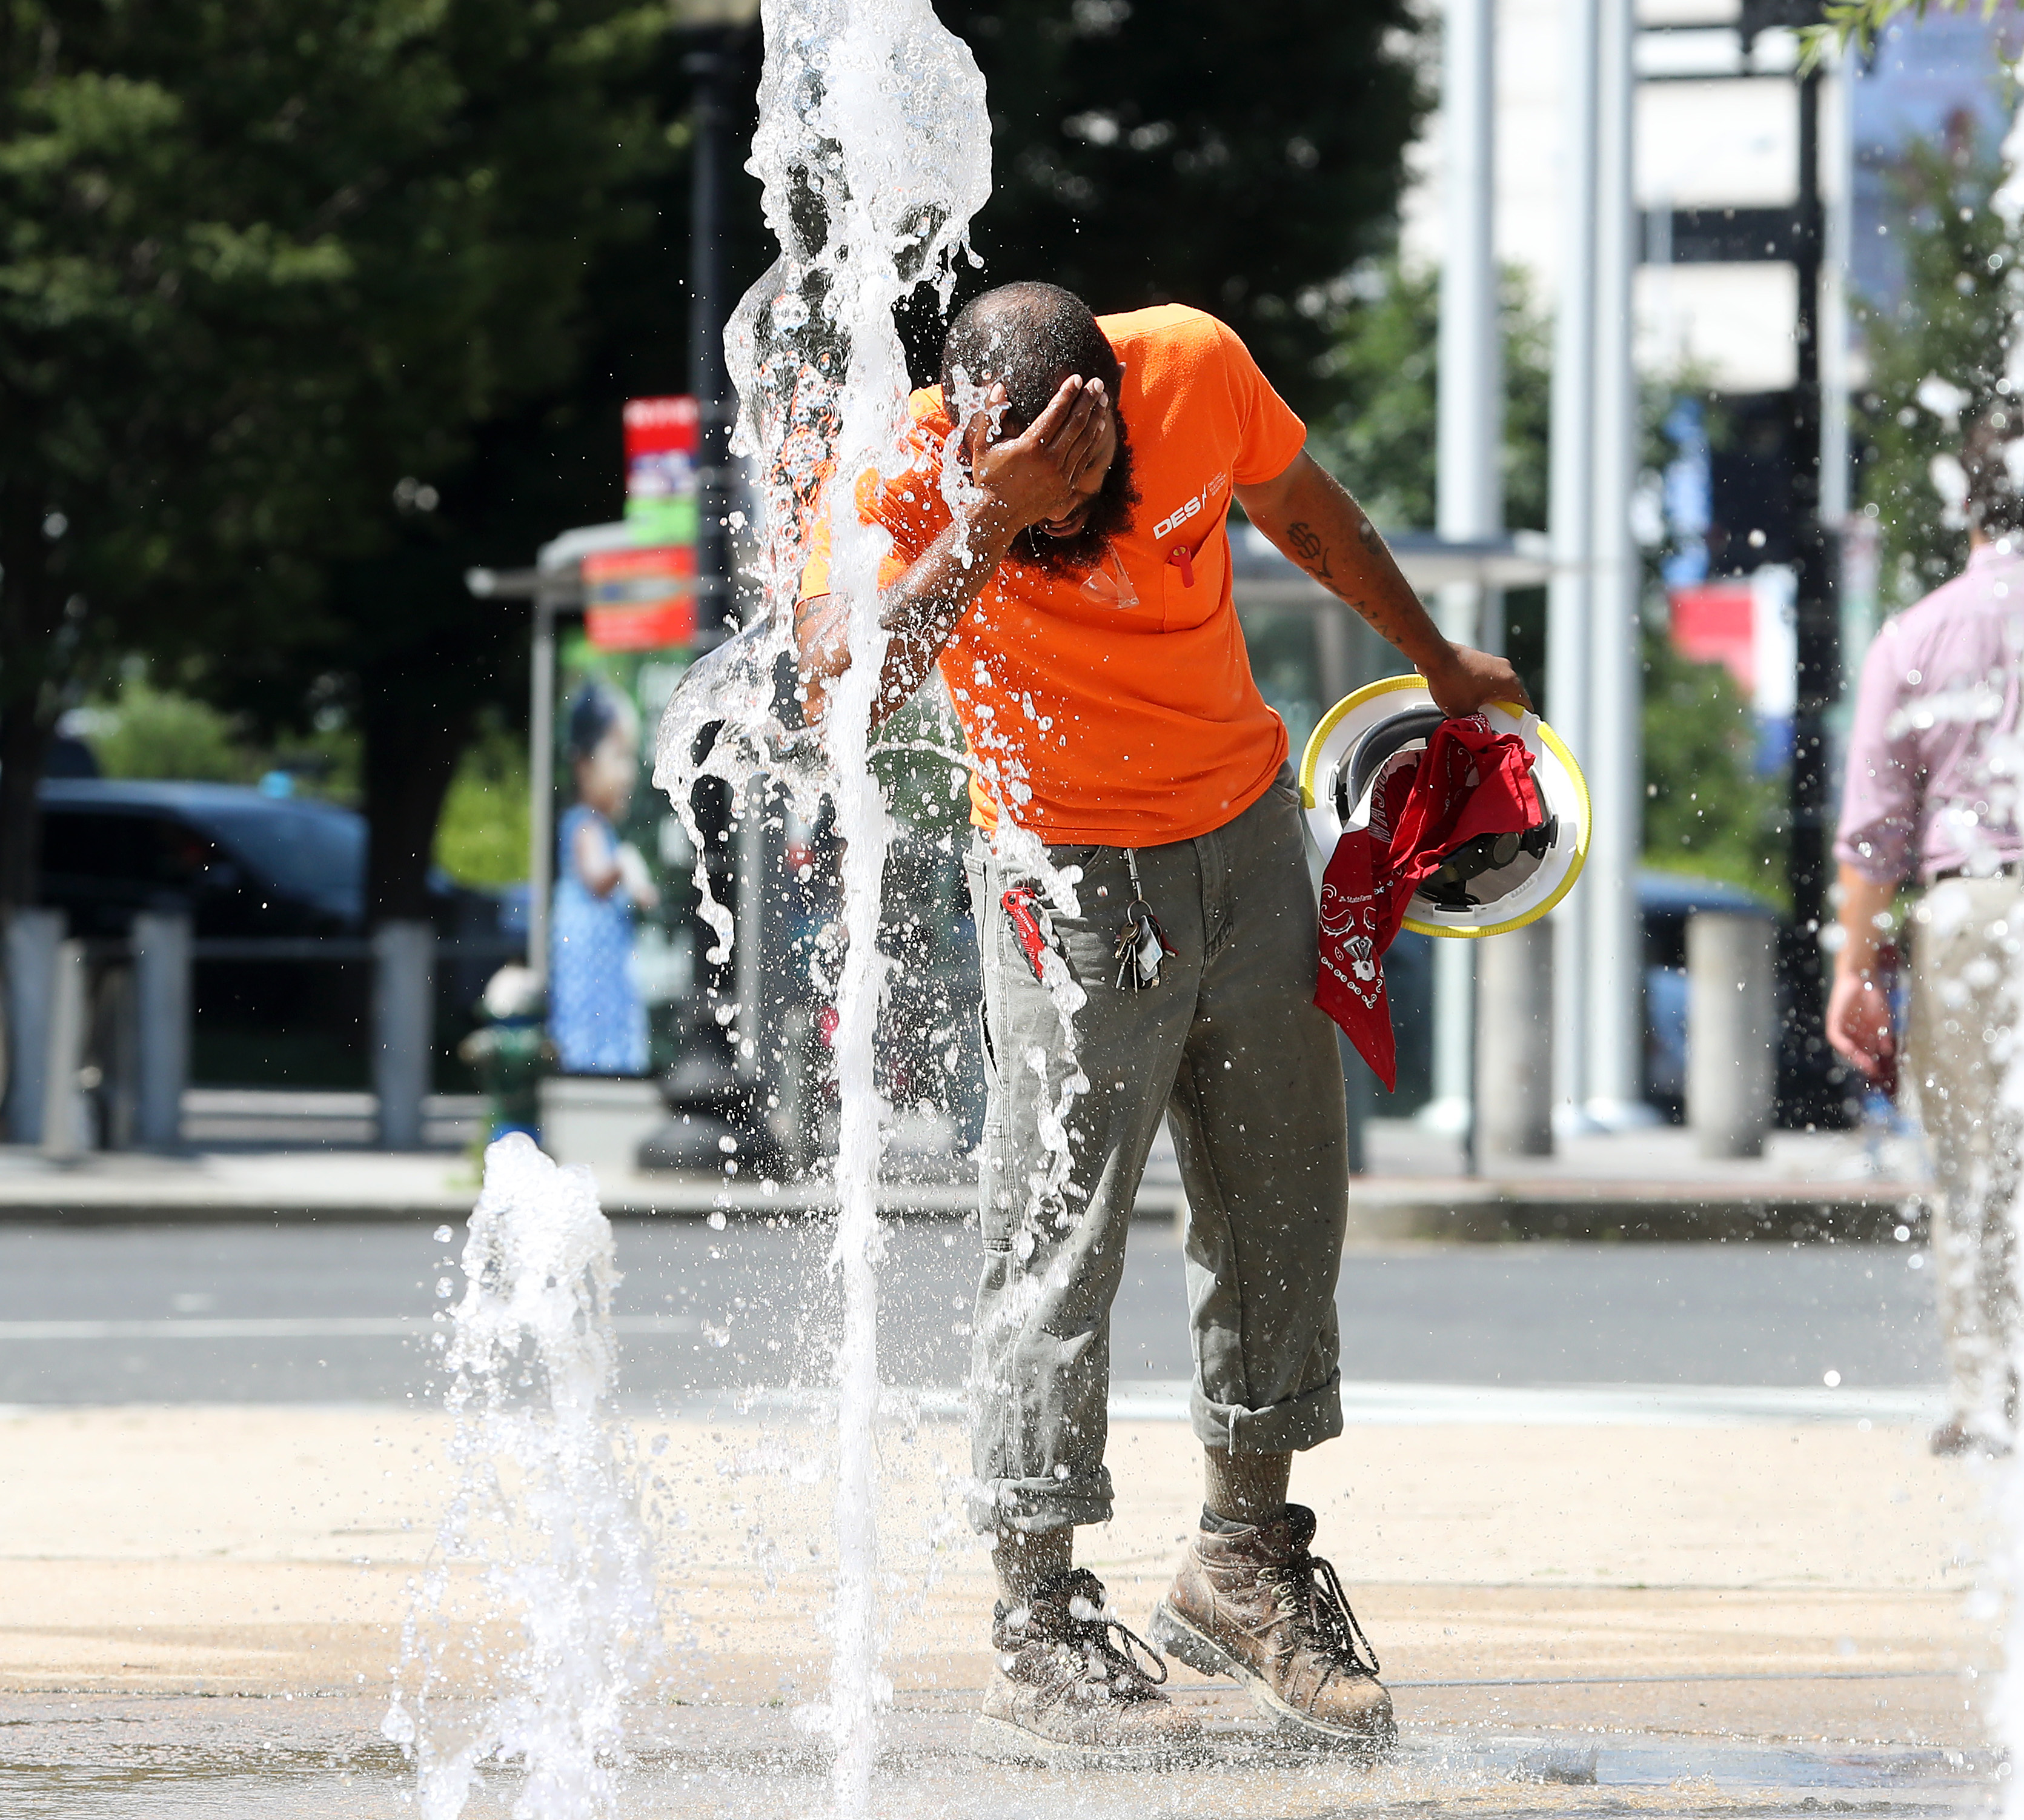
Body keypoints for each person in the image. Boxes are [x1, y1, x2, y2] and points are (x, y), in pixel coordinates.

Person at [798, 282, 1526, 1767]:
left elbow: (1308, 514)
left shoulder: (1191, 366)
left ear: (1122, 408)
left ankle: (1243, 1561)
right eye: (1048, 503)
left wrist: (1436, 659)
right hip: (1063, 881)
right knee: (1053, 1239)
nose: (1084, 526)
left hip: (1247, 834)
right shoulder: (892, 470)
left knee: (1282, 1201)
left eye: (1096, 488)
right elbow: (848, 682)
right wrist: (992, 521)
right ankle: (1037, 1618)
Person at [1825, 404, 2024, 1460]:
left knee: (1972, 1162)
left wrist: (1855, 969)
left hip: (1970, 906)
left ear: (1967, 501)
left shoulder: (1916, 632)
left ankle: (1994, 1396)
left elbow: (1873, 829)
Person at [549, 685, 657, 1075]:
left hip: (605, 975)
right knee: (595, 1051)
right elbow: (596, 877)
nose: (628, 773)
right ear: (584, 765)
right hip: (591, 984)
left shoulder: (599, 830)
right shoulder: (585, 827)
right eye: (619, 757)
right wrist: (625, 864)